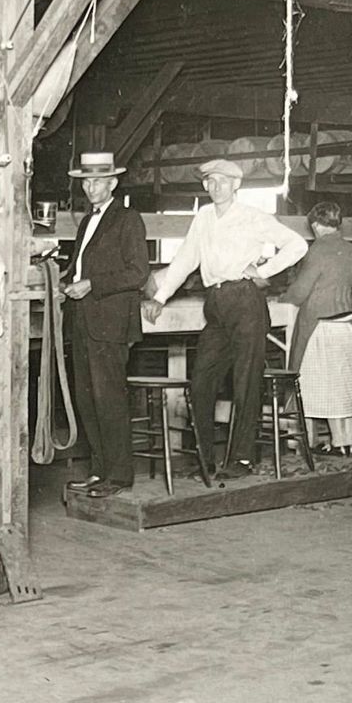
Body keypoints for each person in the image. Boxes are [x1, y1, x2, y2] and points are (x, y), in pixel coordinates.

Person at [144, 158, 307, 477]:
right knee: (201, 382)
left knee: (245, 382)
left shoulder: (252, 216)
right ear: (205, 186)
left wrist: (263, 271)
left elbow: (297, 245)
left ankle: (241, 459)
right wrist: (160, 297)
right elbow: (186, 259)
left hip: (245, 300)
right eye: (210, 181)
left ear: (236, 185)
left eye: (223, 181)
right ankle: (205, 460)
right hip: (216, 302)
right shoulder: (204, 216)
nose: (216, 186)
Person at [61, 151, 151, 497]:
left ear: (113, 183)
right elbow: (79, 267)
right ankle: (99, 471)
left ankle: (119, 476)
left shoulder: (128, 219)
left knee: (109, 399)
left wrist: (92, 284)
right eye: (86, 182)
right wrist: (63, 282)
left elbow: (138, 272)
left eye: (98, 181)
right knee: (88, 400)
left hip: (110, 324)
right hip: (84, 321)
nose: (91, 188)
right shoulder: (87, 221)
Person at [283, 200, 352, 455]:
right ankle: (345, 442)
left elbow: (300, 291)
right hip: (346, 324)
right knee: (343, 385)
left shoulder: (317, 249)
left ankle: (312, 442)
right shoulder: (350, 248)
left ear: (316, 225)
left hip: (322, 326)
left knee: (317, 387)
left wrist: (284, 296)